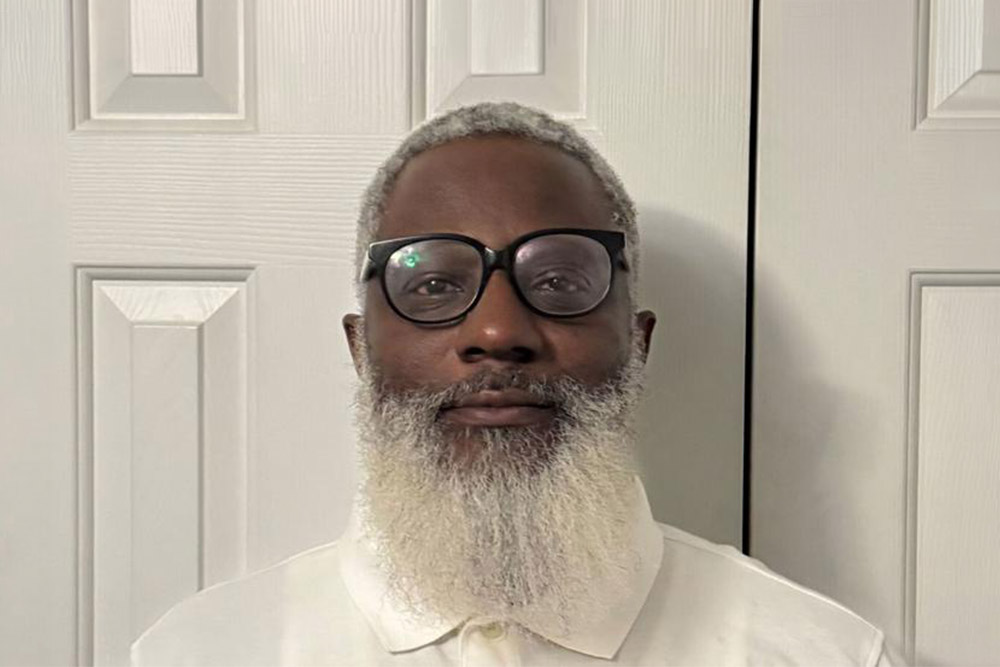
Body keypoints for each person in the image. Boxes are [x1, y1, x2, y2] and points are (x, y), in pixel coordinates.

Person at [132, 102, 901, 666]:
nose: (498, 331)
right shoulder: (196, 652)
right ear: (361, 350)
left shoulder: (823, 653)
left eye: (562, 277)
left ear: (637, 343)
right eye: (431, 284)